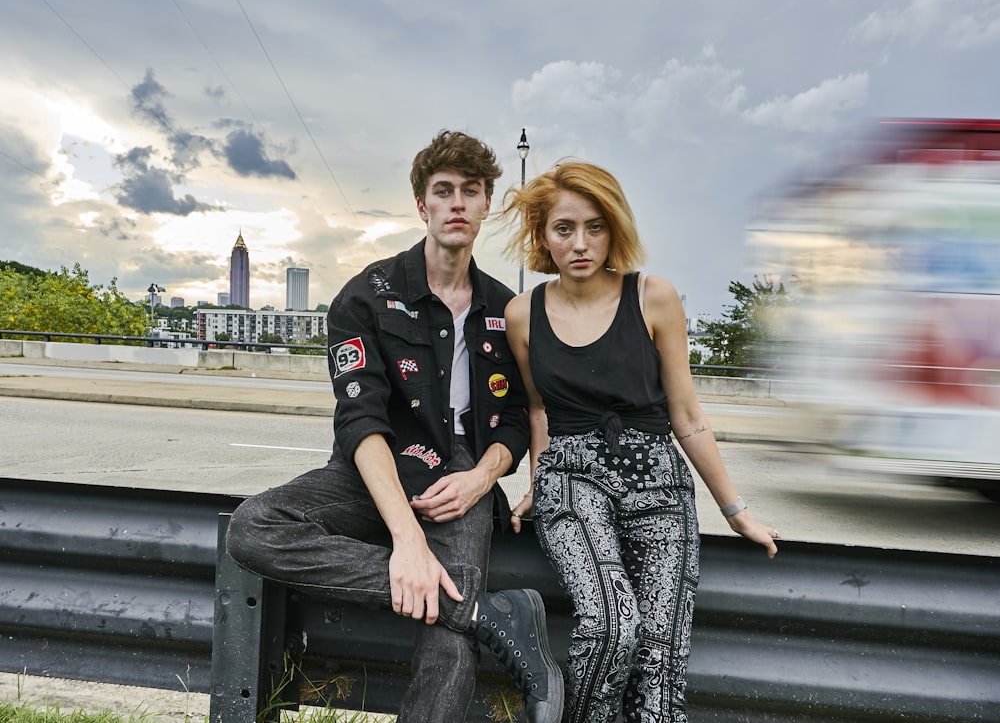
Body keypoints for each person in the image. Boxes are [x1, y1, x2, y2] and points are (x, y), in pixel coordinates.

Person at [226, 130, 564, 723]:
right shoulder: (366, 297)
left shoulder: (506, 308)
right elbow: (361, 421)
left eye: (471, 191)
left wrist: (483, 481)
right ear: (422, 205)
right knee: (254, 528)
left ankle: (462, 613)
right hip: (375, 472)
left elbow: (515, 418)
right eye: (444, 191)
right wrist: (406, 541)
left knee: (447, 638)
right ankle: (487, 614)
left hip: (459, 480)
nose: (457, 202)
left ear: (486, 203)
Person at [501, 160, 779, 722]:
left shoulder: (653, 297)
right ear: (542, 236)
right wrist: (536, 482)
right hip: (572, 480)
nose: (581, 243)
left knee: (660, 657)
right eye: (564, 229)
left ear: (615, 229)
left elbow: (687, 414)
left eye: (596, 226)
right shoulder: (522, 313)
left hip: (658, 481)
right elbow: (536, 407)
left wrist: (735, 510)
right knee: (610, 625)